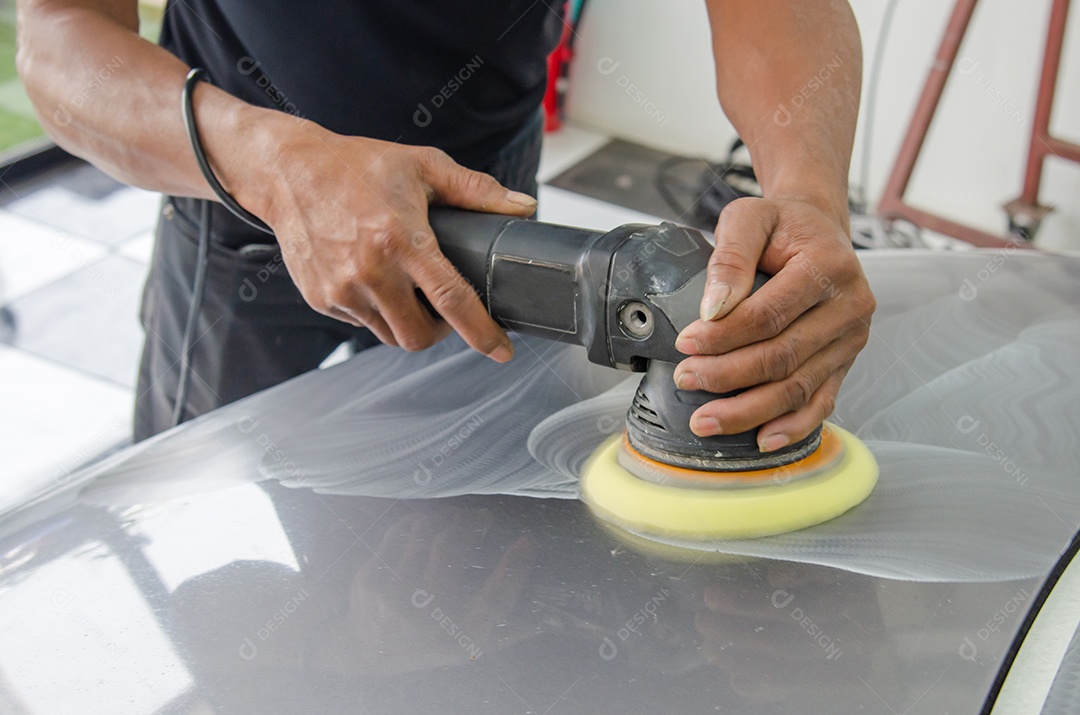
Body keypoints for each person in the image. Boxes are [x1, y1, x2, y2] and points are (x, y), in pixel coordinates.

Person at [16, 0, 874, 447]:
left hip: (488, 196)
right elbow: (58, 37)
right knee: (209, 518)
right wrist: (280, 168)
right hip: (251, 208)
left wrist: (806, 195)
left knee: (466, 556)